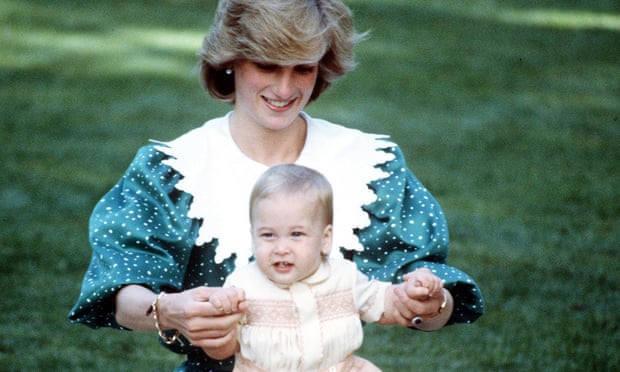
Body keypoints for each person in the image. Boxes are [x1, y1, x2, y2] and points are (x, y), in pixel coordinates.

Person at [69, 0, 484, 371]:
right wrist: (167, 310)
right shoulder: (174, 169)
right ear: (230, 60)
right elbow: (122, 290)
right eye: (267, 65)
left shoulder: (369, 165)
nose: (285, 90)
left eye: (303, 68)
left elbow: (429, 295)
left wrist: (427, 301)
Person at [208, 164, 449, 371]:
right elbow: (224, 350)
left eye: (296, 234)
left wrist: (410, 292)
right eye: (268, 235)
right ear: (252, 237)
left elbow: (386, 305)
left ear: (325, 239)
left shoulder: (344, 276)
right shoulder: (242, 286)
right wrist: (218, 336)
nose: (281, 248)